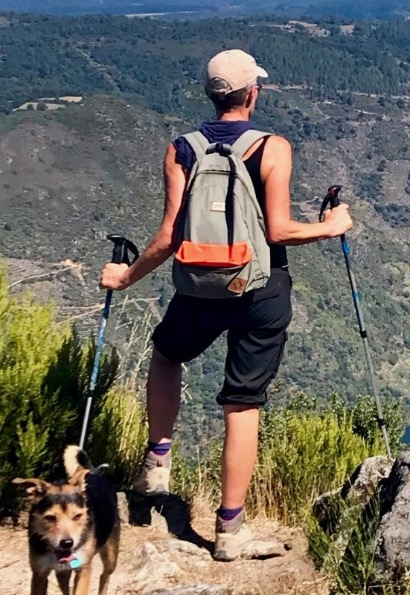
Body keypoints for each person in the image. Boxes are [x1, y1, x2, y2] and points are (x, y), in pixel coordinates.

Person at [100, 49, 353, 561]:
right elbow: (278, 230)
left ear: (212, 96)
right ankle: (228, 531)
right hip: (259, 288)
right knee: (242, 402)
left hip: (198, 283)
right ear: (252, 94)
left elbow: (170, 236)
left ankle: (158, 461)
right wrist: (332, 226)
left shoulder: (181, 149)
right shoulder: (272, 147)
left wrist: (126, 276)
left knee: (168, 356)